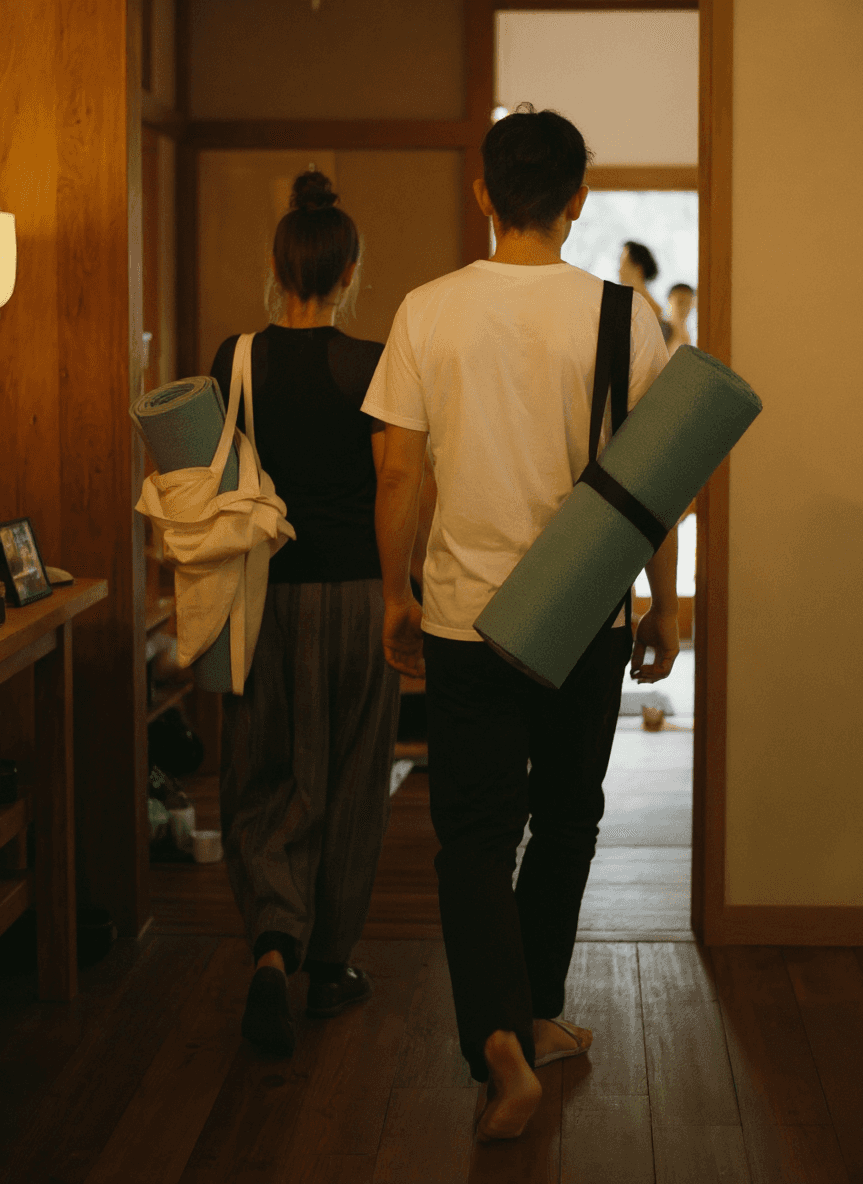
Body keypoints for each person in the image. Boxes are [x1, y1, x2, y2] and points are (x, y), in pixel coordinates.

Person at [362, 104, 680, 1142]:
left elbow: (399, 470)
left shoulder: (427, 309)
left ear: (483, 192)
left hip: (464, 617)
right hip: (581, 610)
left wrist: (394, 590)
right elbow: (655, 479)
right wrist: (662, 600)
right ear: (578, 199)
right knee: (570, 816)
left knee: (471, 832)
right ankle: (527, 1010)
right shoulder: (625, 318)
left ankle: (503, 1030)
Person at [210, 171, 433, 1057]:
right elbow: (394, 483)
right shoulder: (370, 363)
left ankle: (272, 944)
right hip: (350, 594)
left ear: (279, 267)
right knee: (349, 778)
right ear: (348, 274)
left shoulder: (232, 359)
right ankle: (330, 966)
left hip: (261, 593)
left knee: (262, 767)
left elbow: (211, 480)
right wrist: (397, 593)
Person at [618, 240, 672, 345]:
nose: (619, 269)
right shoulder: (618, 302)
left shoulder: (655, 311)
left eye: (622, 262)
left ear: (638, 268)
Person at [665, 281, 696, 354]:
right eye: (680, 302)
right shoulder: (662, 329)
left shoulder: (689, 335)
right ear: (670, 300)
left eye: (688, 303)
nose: (684, 307)